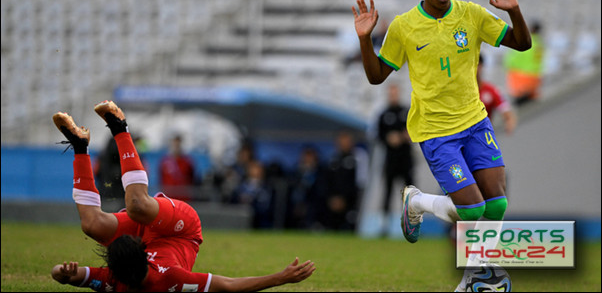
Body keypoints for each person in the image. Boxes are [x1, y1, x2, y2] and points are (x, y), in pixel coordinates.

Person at [352, 0, 531, 290]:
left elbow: (522, 43)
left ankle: (473, 278)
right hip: (437, 132)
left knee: (497, 203)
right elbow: (377, 76)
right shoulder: (404, 27)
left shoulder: (472, 15)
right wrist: (365, 39)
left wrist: (514, 10)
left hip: (476, 123)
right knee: (473, 209)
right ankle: (417, 202)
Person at [50, 100, 315, 292]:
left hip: (148, 235)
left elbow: (62, 275)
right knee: (137, 206)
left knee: (92, 225)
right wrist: (281, 277)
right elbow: (228, 286)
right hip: (182, 230)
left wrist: (65, 273)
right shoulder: (171, 280)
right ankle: (119, 127)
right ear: (143, 253)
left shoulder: (115, 280)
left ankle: (80, 146)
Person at [377, 84, 415, 222]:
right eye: (391, 93)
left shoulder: (407, 112)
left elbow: (414, 132)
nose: (393, 96)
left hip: (405, 158)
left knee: (410, 192)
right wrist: (389, 138)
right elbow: (379, 136)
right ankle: (384, 224)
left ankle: (412, 222)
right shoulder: (383, 114)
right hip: (390, 159)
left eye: (395, 93)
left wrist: (404, 136)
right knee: (387, 192)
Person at [503, 21, 544, 106]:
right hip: (534, 76)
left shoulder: (524, 40)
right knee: (529, 102)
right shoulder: (540, 44)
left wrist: (507, 65)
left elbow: (513, 56)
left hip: (520, 74)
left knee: (519, 101)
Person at [477, 54, 517, 135]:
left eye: (476, 65)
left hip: (483, 136)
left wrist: (509, 122)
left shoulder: (491, 90)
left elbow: (507, 113)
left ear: (481, 66)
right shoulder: (459, 92)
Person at [159, 134, 196, 202]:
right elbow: (161, 178)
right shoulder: (165, 161)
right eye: (174, 144)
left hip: (183, 198)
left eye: (178, 144)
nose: (176, 146)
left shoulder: (187, 162)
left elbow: (191, 178)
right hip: (169, 198)